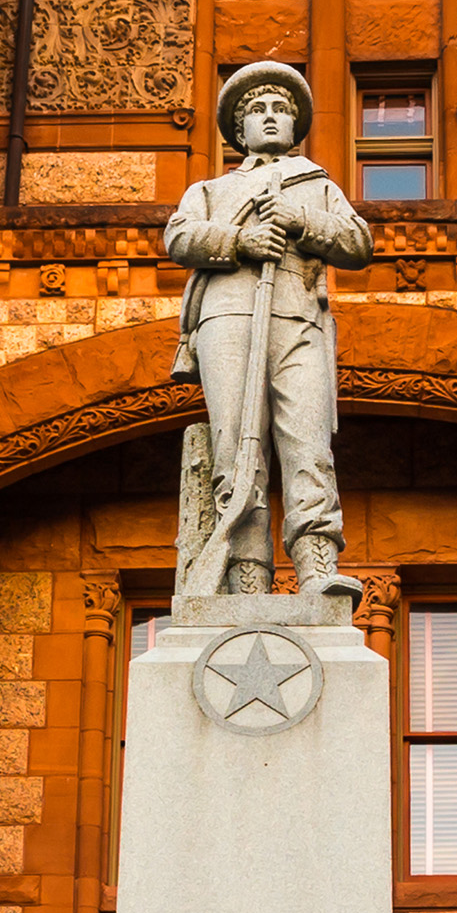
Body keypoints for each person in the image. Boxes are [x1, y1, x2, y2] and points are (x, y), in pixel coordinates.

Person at [162, 62, 372, 601]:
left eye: (281, 108)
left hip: (299, 317)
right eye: (257, 110)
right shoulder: (210, 189)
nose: (271, 117)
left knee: (308, 444)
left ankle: (317, 564)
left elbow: (358, 243)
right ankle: (247, 576)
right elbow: (179, 237)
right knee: (236, 451)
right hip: (227, 316)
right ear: (240, 130)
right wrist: (240, 243)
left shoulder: (317, 184)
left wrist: (300, 220)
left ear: (296, 123)